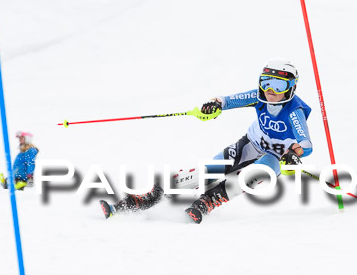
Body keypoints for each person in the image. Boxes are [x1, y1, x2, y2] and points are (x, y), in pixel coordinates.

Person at [100, 59, 313, 224]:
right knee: (209, 171)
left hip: (274, 157)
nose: (270, 90)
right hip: (250, 144)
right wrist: (214, 105)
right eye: (266, 82)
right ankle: (148, 197)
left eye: (278, 85)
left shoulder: (295, 111)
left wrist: (295, 154)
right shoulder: (259, 97)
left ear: (291, 87)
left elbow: (306, 144)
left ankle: (208, 202)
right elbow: (227, 100)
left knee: (259, 172)